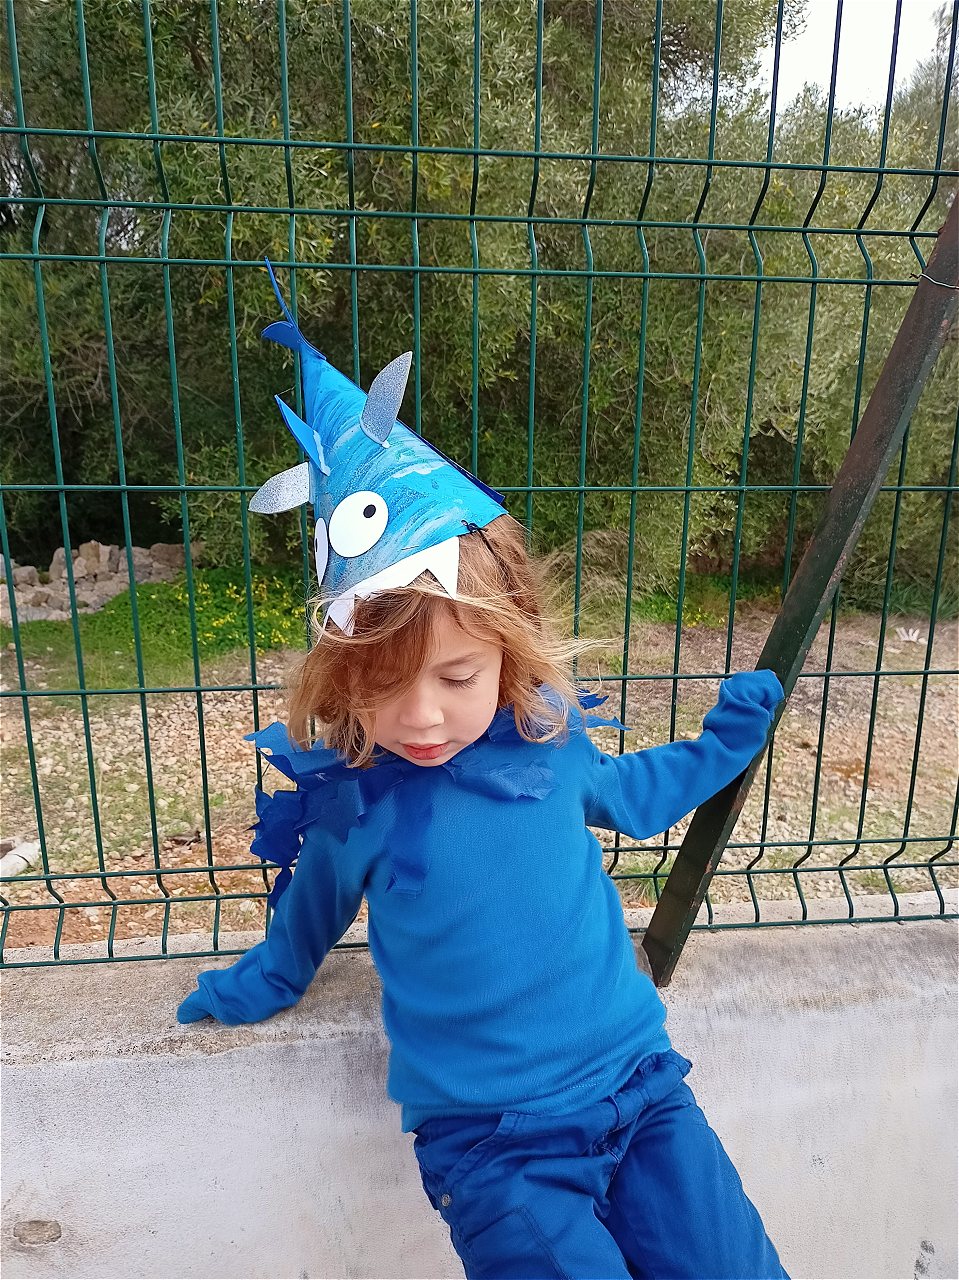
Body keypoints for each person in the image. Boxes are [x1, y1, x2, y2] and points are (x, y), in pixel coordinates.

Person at [177, 269, 788, 1279]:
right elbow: (308, 920)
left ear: (511, 650)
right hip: (497, 1150)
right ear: (340, 677)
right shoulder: (355, 803)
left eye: (456, 676)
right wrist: (257, 983)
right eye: (381, 685)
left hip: (643, 1091)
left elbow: (638, 797)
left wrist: (724, 743)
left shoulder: (549, 745)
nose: (420, 715)